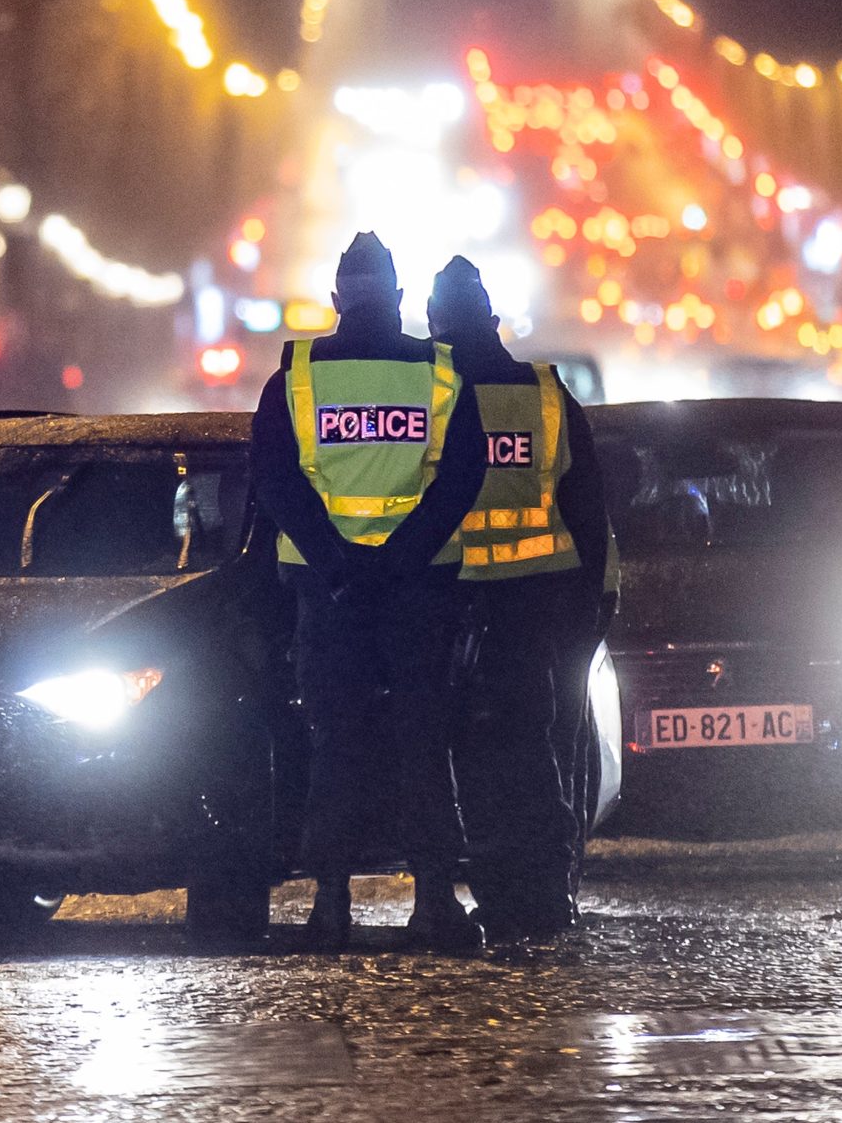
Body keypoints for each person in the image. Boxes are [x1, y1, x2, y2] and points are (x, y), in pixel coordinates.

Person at [250, 233, 488, 952]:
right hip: (419, 593)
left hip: (330, 597)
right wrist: (401, 559)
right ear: (399, 298)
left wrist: (338, 565)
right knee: (423, 740)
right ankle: (434, 900)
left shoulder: (294, 378)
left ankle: (330, 905)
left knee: (335, 745)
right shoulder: (441, 373)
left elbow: (275, 483)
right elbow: (462, 479)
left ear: (336, 300)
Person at [426, 256, 615, 943]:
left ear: (435, 323)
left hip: (453, 606)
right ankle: (548, 895)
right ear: (493, 319)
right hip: (538, 607)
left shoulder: (436, 396)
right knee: (540, 755)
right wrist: (588, 609)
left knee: (471, 762)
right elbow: (587, 509)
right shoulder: (546, 393)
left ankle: (502, 898)